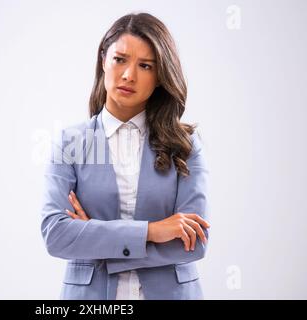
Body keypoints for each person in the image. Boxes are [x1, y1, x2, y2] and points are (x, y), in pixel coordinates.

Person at [40, 12, 210, 300]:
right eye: (120, 59)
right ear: (103, 60)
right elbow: (56, 235)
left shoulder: (185, 144)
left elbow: (193, 243)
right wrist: (153, 231)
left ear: (159, 77)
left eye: (145, 66)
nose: (129, 75)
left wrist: (92, 238)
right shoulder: (71, 142)